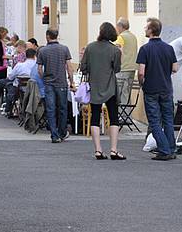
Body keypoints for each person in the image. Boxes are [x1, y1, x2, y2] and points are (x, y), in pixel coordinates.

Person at [81, 22, 125, 160]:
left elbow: (83, 67)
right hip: (110, 87)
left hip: (95, 86)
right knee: (113, 118)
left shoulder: (90, 47)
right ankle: (113, 150)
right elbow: (117, 69)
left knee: (95, 117)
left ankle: (98, 150)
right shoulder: (115, 50)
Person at [137, 17, 179, 161]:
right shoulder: (169, 48)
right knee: (168, 119)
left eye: (146, 27)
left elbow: (141, 71)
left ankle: (164, 150)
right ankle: (171, 148)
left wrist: (142, 83)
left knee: (154, 120)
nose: (145, 29)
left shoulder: (145, 49)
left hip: (151, 89)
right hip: (166, 88)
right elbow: (175, 68)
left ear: (151, 30)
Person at [37, 29, 74, 143]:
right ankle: (62, 132)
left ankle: (54, 135)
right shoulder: (64, 49)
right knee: (63, 108)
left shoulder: (42, 51)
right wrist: (71, 80)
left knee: (51, 109)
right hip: (62, 83)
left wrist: (44, 78)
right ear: (57, 36)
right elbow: (69, 67)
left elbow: (39, 69)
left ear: (47, 36)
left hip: (49, 84)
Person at [0, 48, 37, 117]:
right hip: (35, 90)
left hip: (20, 89)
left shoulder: (20, 65)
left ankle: (8, 108)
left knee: (8, 84)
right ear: (35, 56)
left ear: (25, 56)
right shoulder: (37, 66)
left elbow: (11, 77)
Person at [115, 17, 138, 104]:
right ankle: (127, 116)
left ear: (121, 26)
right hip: (132, 68)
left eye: (117, 26)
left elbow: (117, 52)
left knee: (120, 93)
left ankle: (122, 115)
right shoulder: (133, 36)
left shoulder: (121, 37)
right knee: (127, 92)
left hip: (123, 68)